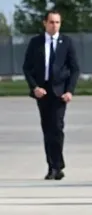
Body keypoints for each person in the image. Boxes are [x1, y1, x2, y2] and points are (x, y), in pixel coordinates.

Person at [22, 10, 79, 180]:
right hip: (43, 92)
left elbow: (74, 68)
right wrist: (34, 87)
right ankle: (52, 166)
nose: (55, 26)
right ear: (45, 23)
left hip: (59, 92)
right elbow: (27, 68)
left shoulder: (66, 42)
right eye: (52, 22)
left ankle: (57, 165)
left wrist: (70, 90)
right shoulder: (36, 43)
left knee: (57, 128)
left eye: (57, 22)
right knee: (48, 130)